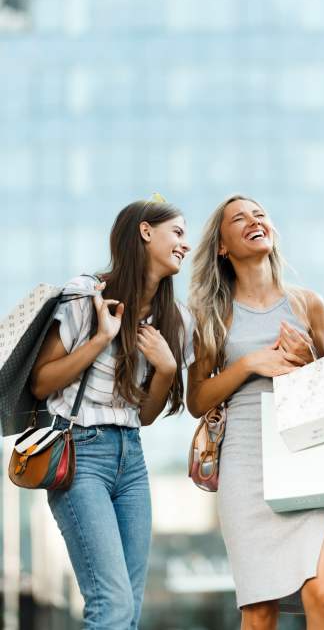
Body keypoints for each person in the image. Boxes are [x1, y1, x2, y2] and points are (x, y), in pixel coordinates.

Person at [30, 197, 192, 630]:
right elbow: (42, 382)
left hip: (131, 460)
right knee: (112, 607)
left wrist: (168, 368)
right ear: (145, 231)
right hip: (81, 456)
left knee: (128, 610)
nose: (186, 245)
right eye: (177, 232)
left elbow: (147, 415)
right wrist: (101, 339)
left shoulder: (174, 319)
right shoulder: (89, 296)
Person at [187, 194, 324, 630]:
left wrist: (311, 360)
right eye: (239, 219)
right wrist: (247, 365)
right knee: (259, 614)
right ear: (222, 247)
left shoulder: (307, 303)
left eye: (259, 214)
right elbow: (196, 400)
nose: (253, 221)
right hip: (245, 464)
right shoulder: (209, 313)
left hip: (307, 456)